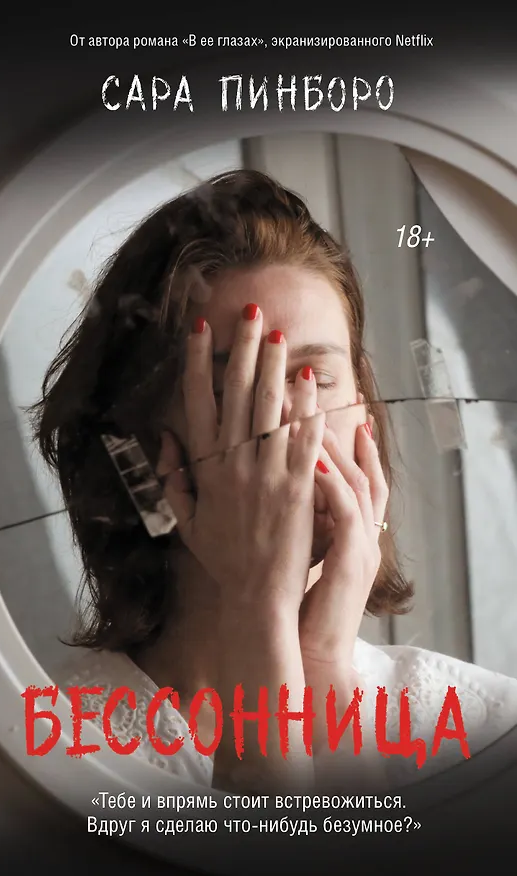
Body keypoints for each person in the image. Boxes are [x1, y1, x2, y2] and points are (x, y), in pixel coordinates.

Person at [31, 169, 517, 794]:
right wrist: (258, 609)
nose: (288, 419)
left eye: (316, 378)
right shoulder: (45, 754)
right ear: (142, 451)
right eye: (231, 390)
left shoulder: (485, 726)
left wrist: (322, 668)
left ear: (366, 417)